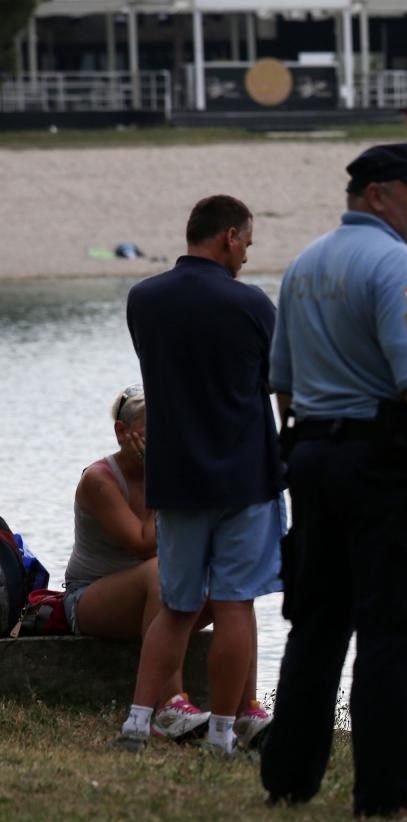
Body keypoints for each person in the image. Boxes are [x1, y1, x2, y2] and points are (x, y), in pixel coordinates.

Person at [260, 143, 407, 819]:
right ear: (375, 195)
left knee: (317, 623)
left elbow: (282, 385)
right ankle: (386, 795)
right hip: (384, 466)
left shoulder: (303, 265)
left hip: (312, 459)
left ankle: (288, 777)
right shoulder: (399, 266)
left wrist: (315, 443)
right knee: (399, 629)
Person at [118, 195, 282, 757]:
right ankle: (222, 732)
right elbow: (275, 379)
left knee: (179, 606)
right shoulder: (253, 305)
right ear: (229, 236)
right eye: (246, 245)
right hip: (244, 476)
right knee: (236, 603)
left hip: (178, 476)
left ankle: (138, 723)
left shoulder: (144, 299)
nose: (246, 258)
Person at [73, 386, 269, 744]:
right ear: (122, 431)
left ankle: (247, 710)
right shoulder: (99, 480)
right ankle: (170, 705)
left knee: (236, 588)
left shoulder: (176, 471)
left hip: (157, 594)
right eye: (154, 428)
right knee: (160, 569)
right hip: (93, 598)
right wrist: (160, 477)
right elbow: (143, 543)